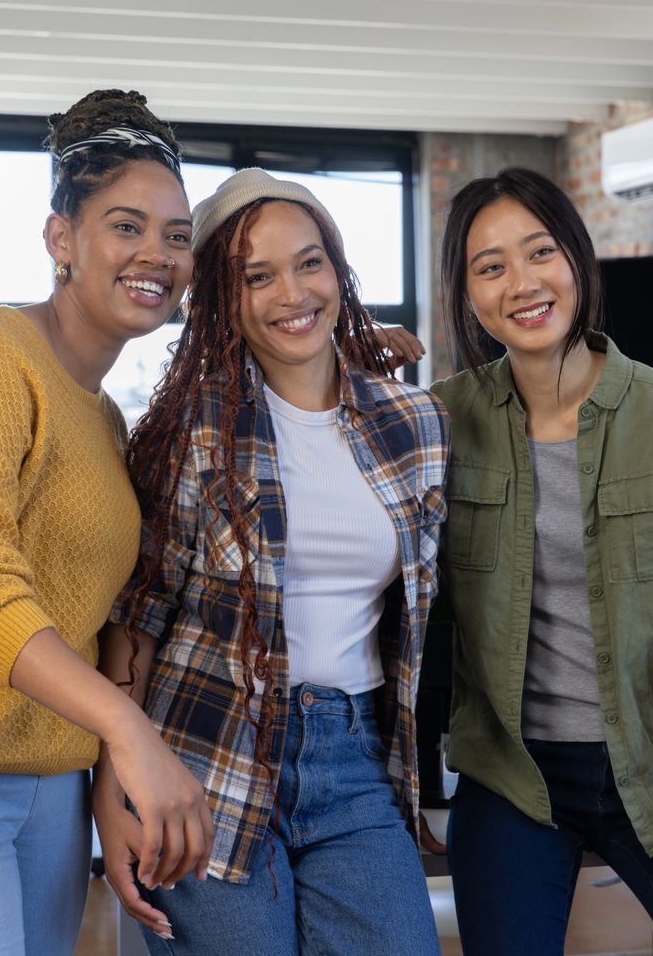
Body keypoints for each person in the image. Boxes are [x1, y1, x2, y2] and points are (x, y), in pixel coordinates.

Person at [93, 167, 451, 955]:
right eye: (258, 276)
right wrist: (112, 793)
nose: (292, 292)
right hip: (202, 753)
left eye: (309, 262)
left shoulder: (415, 423)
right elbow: (140, 614)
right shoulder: (190, 435)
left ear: (338, 267)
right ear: (224, 299)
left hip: (352, 758)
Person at [0, 88, 213, 956]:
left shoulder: (105, 423)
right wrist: (130, 734)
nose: (156, 255)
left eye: (176, 235)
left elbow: (92, 628)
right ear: (62, 239)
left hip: (52, 786)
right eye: (126, 226)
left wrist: (103, 787)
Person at [431, 167, 653, 955]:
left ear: (578, 262)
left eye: (540, 253)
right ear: (467, 292)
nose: (521, 284)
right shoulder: (442, 423)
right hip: (512, 774)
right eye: (490, 267)